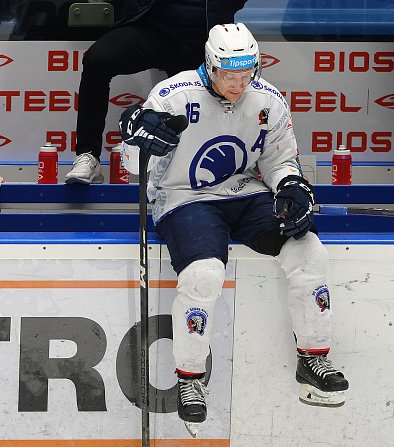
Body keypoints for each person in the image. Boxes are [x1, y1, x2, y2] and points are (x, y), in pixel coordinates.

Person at [118, 23, 349, 435]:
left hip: (244, 193)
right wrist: (136, 138)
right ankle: (190, 380)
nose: (239, 85)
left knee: (310, 251)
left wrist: (292, 185)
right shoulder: (174, 94)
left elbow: (281, 160)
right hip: (183, 196)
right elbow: (133, 165)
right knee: (204, 273)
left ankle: (312, 360)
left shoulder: (268, 98)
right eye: (230, 76)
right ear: (210, 65)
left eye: (247, 75)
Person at [65, 0, 247, 184]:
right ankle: (88, 155)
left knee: (225, 85)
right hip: (152, 28)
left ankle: (221, 168)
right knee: (97, 60)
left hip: (204, 36)